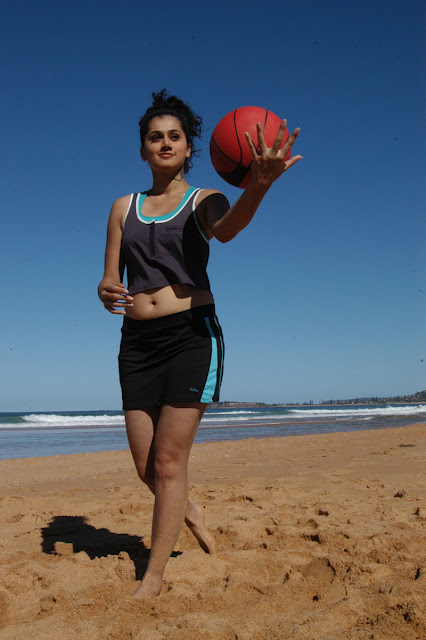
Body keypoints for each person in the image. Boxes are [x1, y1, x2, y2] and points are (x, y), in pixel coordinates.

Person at [98, 90, 302, 599]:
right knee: (146, 467)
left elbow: (227, 231)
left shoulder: (205, 199)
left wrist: (259, 185)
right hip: (136, 342)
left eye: (175, 136)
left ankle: (153, 577)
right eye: (155, 137)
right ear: (143, 150)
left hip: (191, 336)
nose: (165, 143)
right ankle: (187, 509)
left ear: (190, 148)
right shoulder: (123, 207)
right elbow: (110, 277)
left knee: (169, 463)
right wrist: (105, 290)